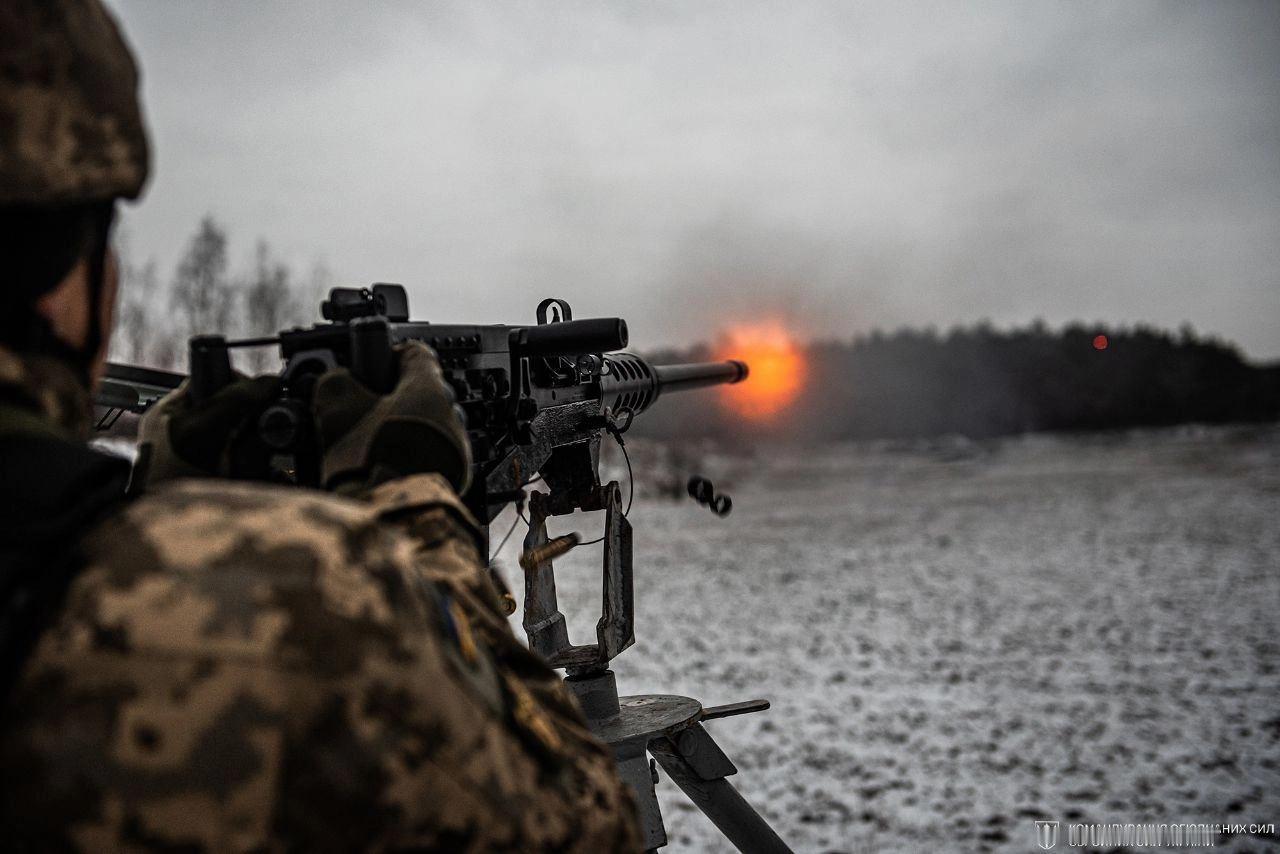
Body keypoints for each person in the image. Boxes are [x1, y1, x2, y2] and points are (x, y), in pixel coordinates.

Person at [0, 0, 641, 850]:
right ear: (73, 268)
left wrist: (158, 509)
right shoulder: (306, 616)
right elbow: (581, 825)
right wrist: (416, 513)